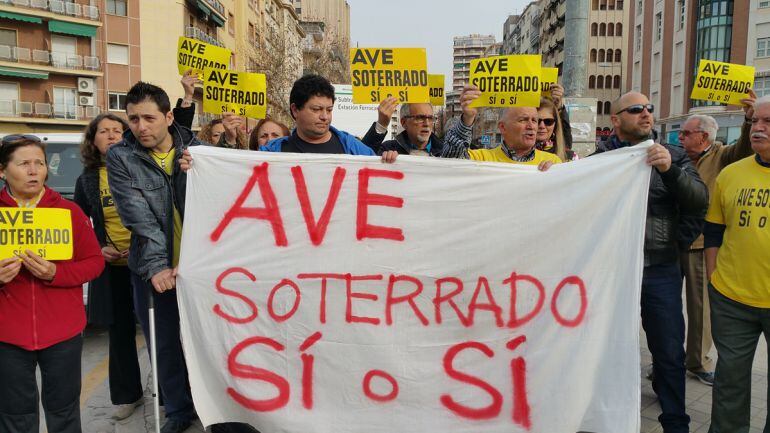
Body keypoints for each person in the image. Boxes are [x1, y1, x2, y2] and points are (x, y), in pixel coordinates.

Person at [595, 91, 708, 433]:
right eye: (635, 109)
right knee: (607, 349)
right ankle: (605, 418)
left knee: (669, 352)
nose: (646, 114)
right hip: (613, 273)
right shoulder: (599, 158)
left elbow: (698, 202)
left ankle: (675, 423)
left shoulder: (674, 156)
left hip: (660, 271)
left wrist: (670, 171)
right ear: (616, 120)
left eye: (649, 108)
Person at [105, 81, 201, 433]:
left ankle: (209, 402)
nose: (140, 127)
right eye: (133, 119)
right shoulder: (121, 156)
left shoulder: (196, 148)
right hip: (152, 268)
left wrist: (195, 173)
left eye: (148, 118)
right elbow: (137, 215)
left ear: (168, 116)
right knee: (163, 346)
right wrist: (158, 265)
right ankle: (177, 410)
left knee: (203, 341)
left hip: (195, 266)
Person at [0, 135, 104, 433]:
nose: (34, 171)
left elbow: (94, 263)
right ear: (3, 171)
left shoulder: (69, 213)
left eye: (39, 164)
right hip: (7, 338)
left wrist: (55, 274)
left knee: (64, 412)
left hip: (63, 333)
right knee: (14, 415)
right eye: (23, 164)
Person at [704, 94, 770, 432]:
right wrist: (715, 279)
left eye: (767, 122)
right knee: (729, 384)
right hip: (731, 300)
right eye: (753, 121)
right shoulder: (730, 175)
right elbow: (714, 232)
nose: (757, 128)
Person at [677, 102, 754, 386]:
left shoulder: (722, 156)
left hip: (699, 244)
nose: (680, 138)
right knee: (670, 309)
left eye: (685, 133)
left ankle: (698, 362)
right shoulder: (678, 157)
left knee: (700, 310)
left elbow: (743, 150)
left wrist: (748, 120)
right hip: (675, 242)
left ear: (704, 137)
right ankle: (671, 360)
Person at [74, 114, 144, 420]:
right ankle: (127, 395)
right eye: (104, 131)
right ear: (94, 140)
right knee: (120, 333)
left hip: (146, 262)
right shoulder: (86, 179)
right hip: (112, 268)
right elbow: (78, 225)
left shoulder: (141, 167)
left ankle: (171, 395)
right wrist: (98, 248)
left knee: (159, 330)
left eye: (118, 130)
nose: (112, 135)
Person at [439, 85, 561, 169]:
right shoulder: (481, 159)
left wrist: (556, 176)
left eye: (534, 120)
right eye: (523, 120)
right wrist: (467, 118)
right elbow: (450, 163)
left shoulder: (553, 163)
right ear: (502, 127)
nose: (532, 126)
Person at [536, 96, 573, 161]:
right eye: (537, 121)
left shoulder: (570, 157)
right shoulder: (514, 155)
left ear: (555, 125)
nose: (542, 126)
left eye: (548, 121)